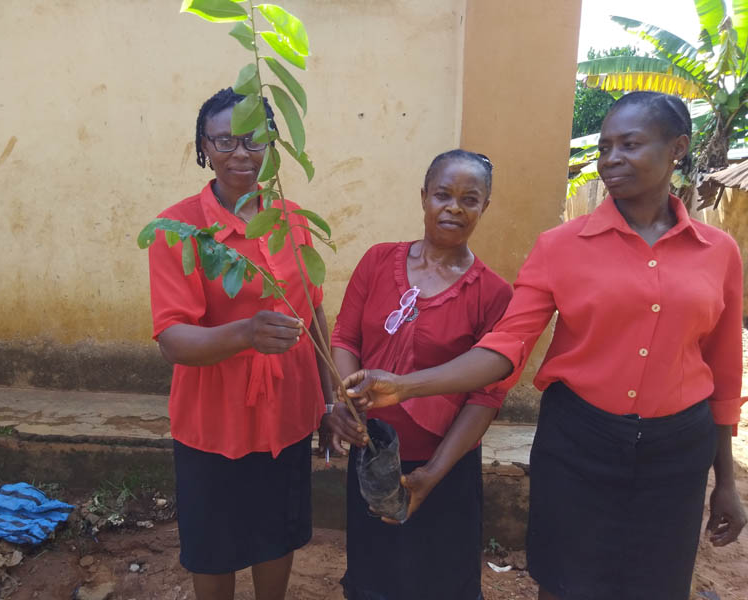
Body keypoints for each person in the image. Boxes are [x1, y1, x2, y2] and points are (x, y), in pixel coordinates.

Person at [343, 92, 747, 600]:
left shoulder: (719, 253)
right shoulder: (559, 247)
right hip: (581, 441)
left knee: (659, 581)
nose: (611, 158)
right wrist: (405, 387)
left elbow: (724, 371)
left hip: (677, 450)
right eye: (604, 147)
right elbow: (504, 349)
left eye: (630, 144)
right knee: (563, 580)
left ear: (678, 148)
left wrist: (725, 480)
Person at [147, 87, 332, 600]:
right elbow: (173, 341)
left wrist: (329, 401)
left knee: (278, 533)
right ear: (204, 149)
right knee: (215, 543)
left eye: (254, 140)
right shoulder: (180, 229)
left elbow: (312, 311)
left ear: (273, 144)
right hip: (215, 419)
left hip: (289, 413)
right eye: (224, 141)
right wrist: (245, 333)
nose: (241, 154)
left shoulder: (291, 220)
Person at [324, 149, 513, 600]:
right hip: (373, 454)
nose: (454, 207)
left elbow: (485, 396)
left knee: (440, 578)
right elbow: (345, 338)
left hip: (443, 464)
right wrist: (344, 406)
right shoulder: (377, 262)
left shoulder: (493, 293)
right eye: (443, 194)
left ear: (484, 207)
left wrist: (435, 470)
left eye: (470, 199)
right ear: (424, 197)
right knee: (375, 572)